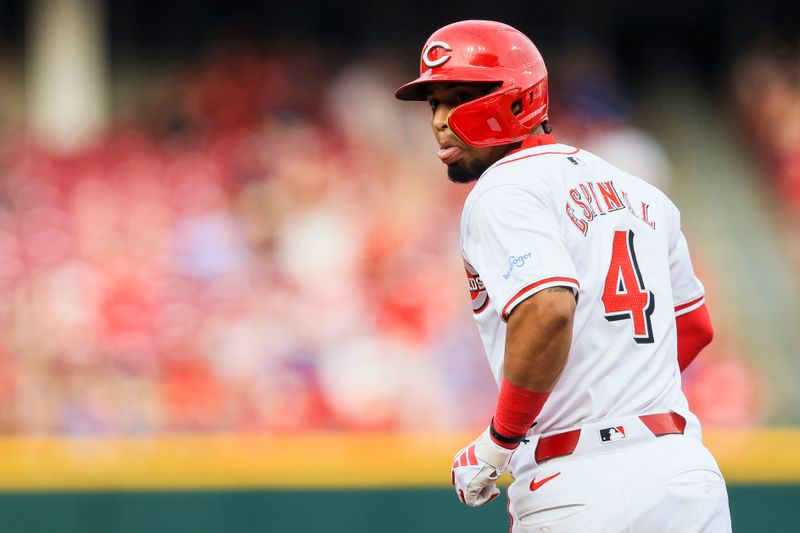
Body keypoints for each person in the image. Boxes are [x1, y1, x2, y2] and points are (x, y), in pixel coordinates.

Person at [395, 20, 732, 532]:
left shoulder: (501, 189)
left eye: (459, 96)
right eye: (434, 104)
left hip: (576, 482)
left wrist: (498, 442)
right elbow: (695, 327)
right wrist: (623, 394)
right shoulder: (640, 194)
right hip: (684, 475)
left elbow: (548, 309)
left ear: (516, 100)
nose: (440, 120)